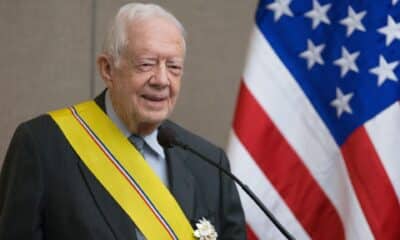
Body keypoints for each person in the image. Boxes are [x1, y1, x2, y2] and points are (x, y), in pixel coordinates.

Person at [0, 2, 246, 240]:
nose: (162, 80)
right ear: (107, 69)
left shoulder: (209, 164)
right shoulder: (42, 147)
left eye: (174, 67)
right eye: (146, 64)